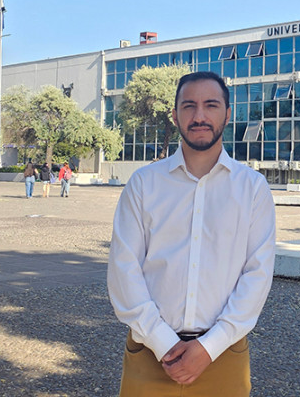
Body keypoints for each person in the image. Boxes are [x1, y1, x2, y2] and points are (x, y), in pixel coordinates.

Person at [108, 71, 276, 397]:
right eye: (189, 106)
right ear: (175, 115)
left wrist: (209, 347)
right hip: (151, 355)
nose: (199, 116)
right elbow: (123, 269)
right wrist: (163, 342)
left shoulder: (253, 189)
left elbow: (257, 274)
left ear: (227, 114)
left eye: (210, 105)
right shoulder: (144, 185)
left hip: (223, 355)